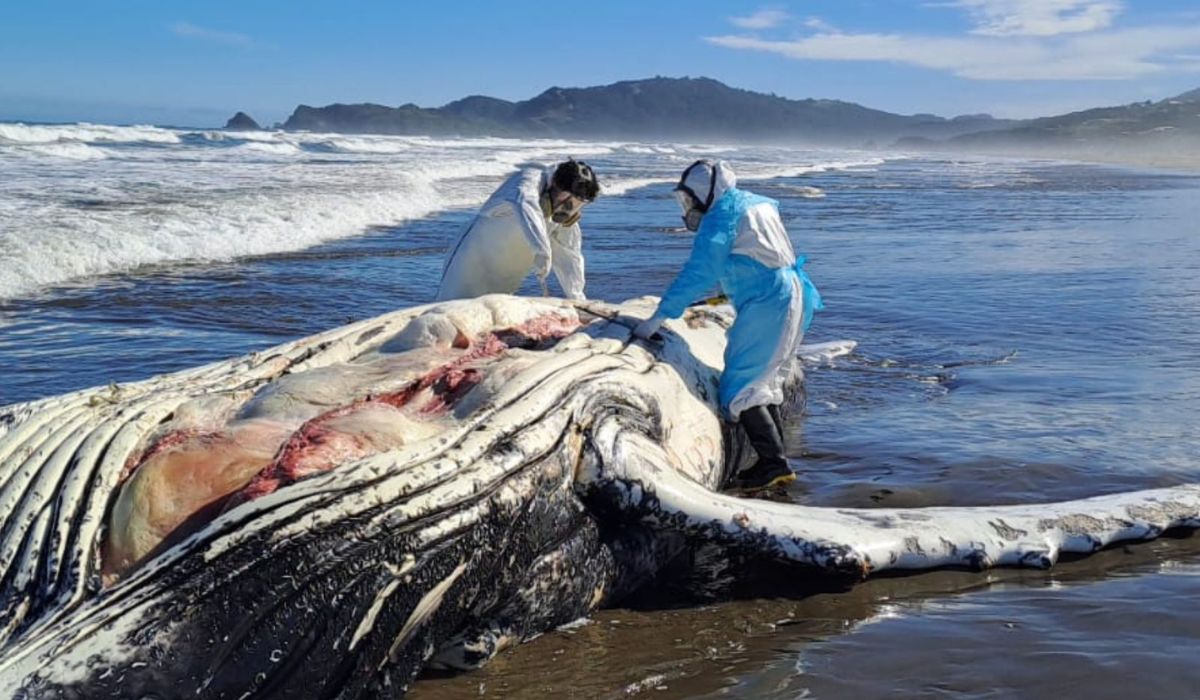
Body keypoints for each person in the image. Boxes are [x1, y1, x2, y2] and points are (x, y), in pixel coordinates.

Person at [634, 159, 822, 490]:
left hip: (768, 301)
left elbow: (700, 270)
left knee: (741, 383)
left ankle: (773, 464)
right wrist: (726, 291)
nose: (690, 206)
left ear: (707, 192)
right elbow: (754, 253)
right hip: (788, 293)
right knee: (764, 378)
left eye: (691, 198)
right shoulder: (752, 202)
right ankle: (773, 459)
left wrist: (659, 316)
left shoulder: (722, 215)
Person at [435, 159, 600, 301]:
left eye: (578, 204)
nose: (568, 208)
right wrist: (541, 250)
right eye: (567, 199)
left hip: (507, 274)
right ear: (555, 184)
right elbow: (527, 205)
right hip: (470, 261)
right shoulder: (528, 181)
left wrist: (576, 297)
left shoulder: (559, 214)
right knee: (450, 312)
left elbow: (569, 253)